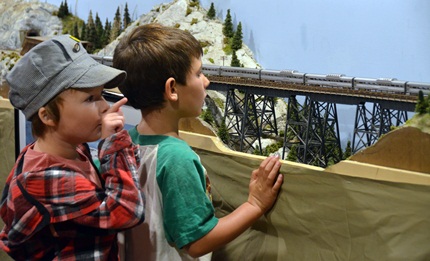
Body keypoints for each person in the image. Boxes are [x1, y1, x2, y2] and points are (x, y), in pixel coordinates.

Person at [113, 23, 283, 260]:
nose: (206, 82)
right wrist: (255, 204)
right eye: (198, 73)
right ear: (172, 89)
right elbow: (197, 242)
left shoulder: (123, 142)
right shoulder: (176, 158)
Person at [0, 34, 145, 260]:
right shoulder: (42, 178)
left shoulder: (73, 149)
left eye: (101, 95)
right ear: (47, 116)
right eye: (90, 99)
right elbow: (126, 212)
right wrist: (114, 145)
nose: (104, 106)